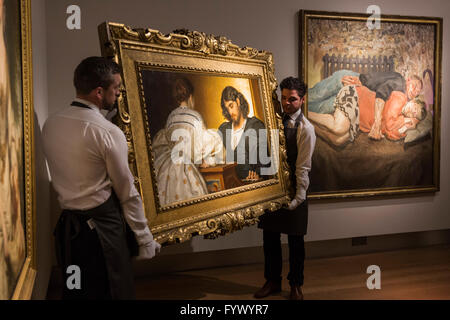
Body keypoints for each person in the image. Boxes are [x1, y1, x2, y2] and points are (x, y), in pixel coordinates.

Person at [42, 57, 161, 299]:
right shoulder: (108, 133)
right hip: (102, 232)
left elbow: (82, 150)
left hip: (69, 233)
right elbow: (127, 193)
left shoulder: (51, 123)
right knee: (113, 291)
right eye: (116, 88)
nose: (118, 93)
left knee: (78, 291)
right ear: (99, 92)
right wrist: (145, 238)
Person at [255, 77, 316, 300]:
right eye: (283, 98)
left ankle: (296, 285)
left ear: (302, 100)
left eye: (292, 99)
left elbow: (304, 167)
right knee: (269, 238)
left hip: (295, 190)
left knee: (295, 240)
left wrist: (299, 197)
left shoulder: (306, 129)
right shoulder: (273, 121)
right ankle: (272, 281)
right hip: (273, 189)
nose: (287, 103)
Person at [152, 77, 224, 206]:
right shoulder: (194, 116)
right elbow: (200, 147)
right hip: (185, 167)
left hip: (166, 167)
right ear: (190, 97)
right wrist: (207, 160)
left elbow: (167, 141)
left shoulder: (171, 116)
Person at [308, 69, 423, 140]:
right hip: (349, 79)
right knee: (311, 96)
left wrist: (410, 122)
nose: (415, 91)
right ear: (408, 80)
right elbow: (381, 94)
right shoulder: (400, 81)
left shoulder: (404, 102)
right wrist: (377, 124)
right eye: (415, 86)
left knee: (317, 109)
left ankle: (300, 113)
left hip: (356, 91)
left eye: (417, 92)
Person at [218, 86, 267, 181]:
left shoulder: (255, 126)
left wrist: (258, 176)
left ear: (238, 101)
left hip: (251, 184)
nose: (230, 112)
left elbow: (264, 162)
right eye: (227, 108)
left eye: (231, 106)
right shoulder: (223, 129)